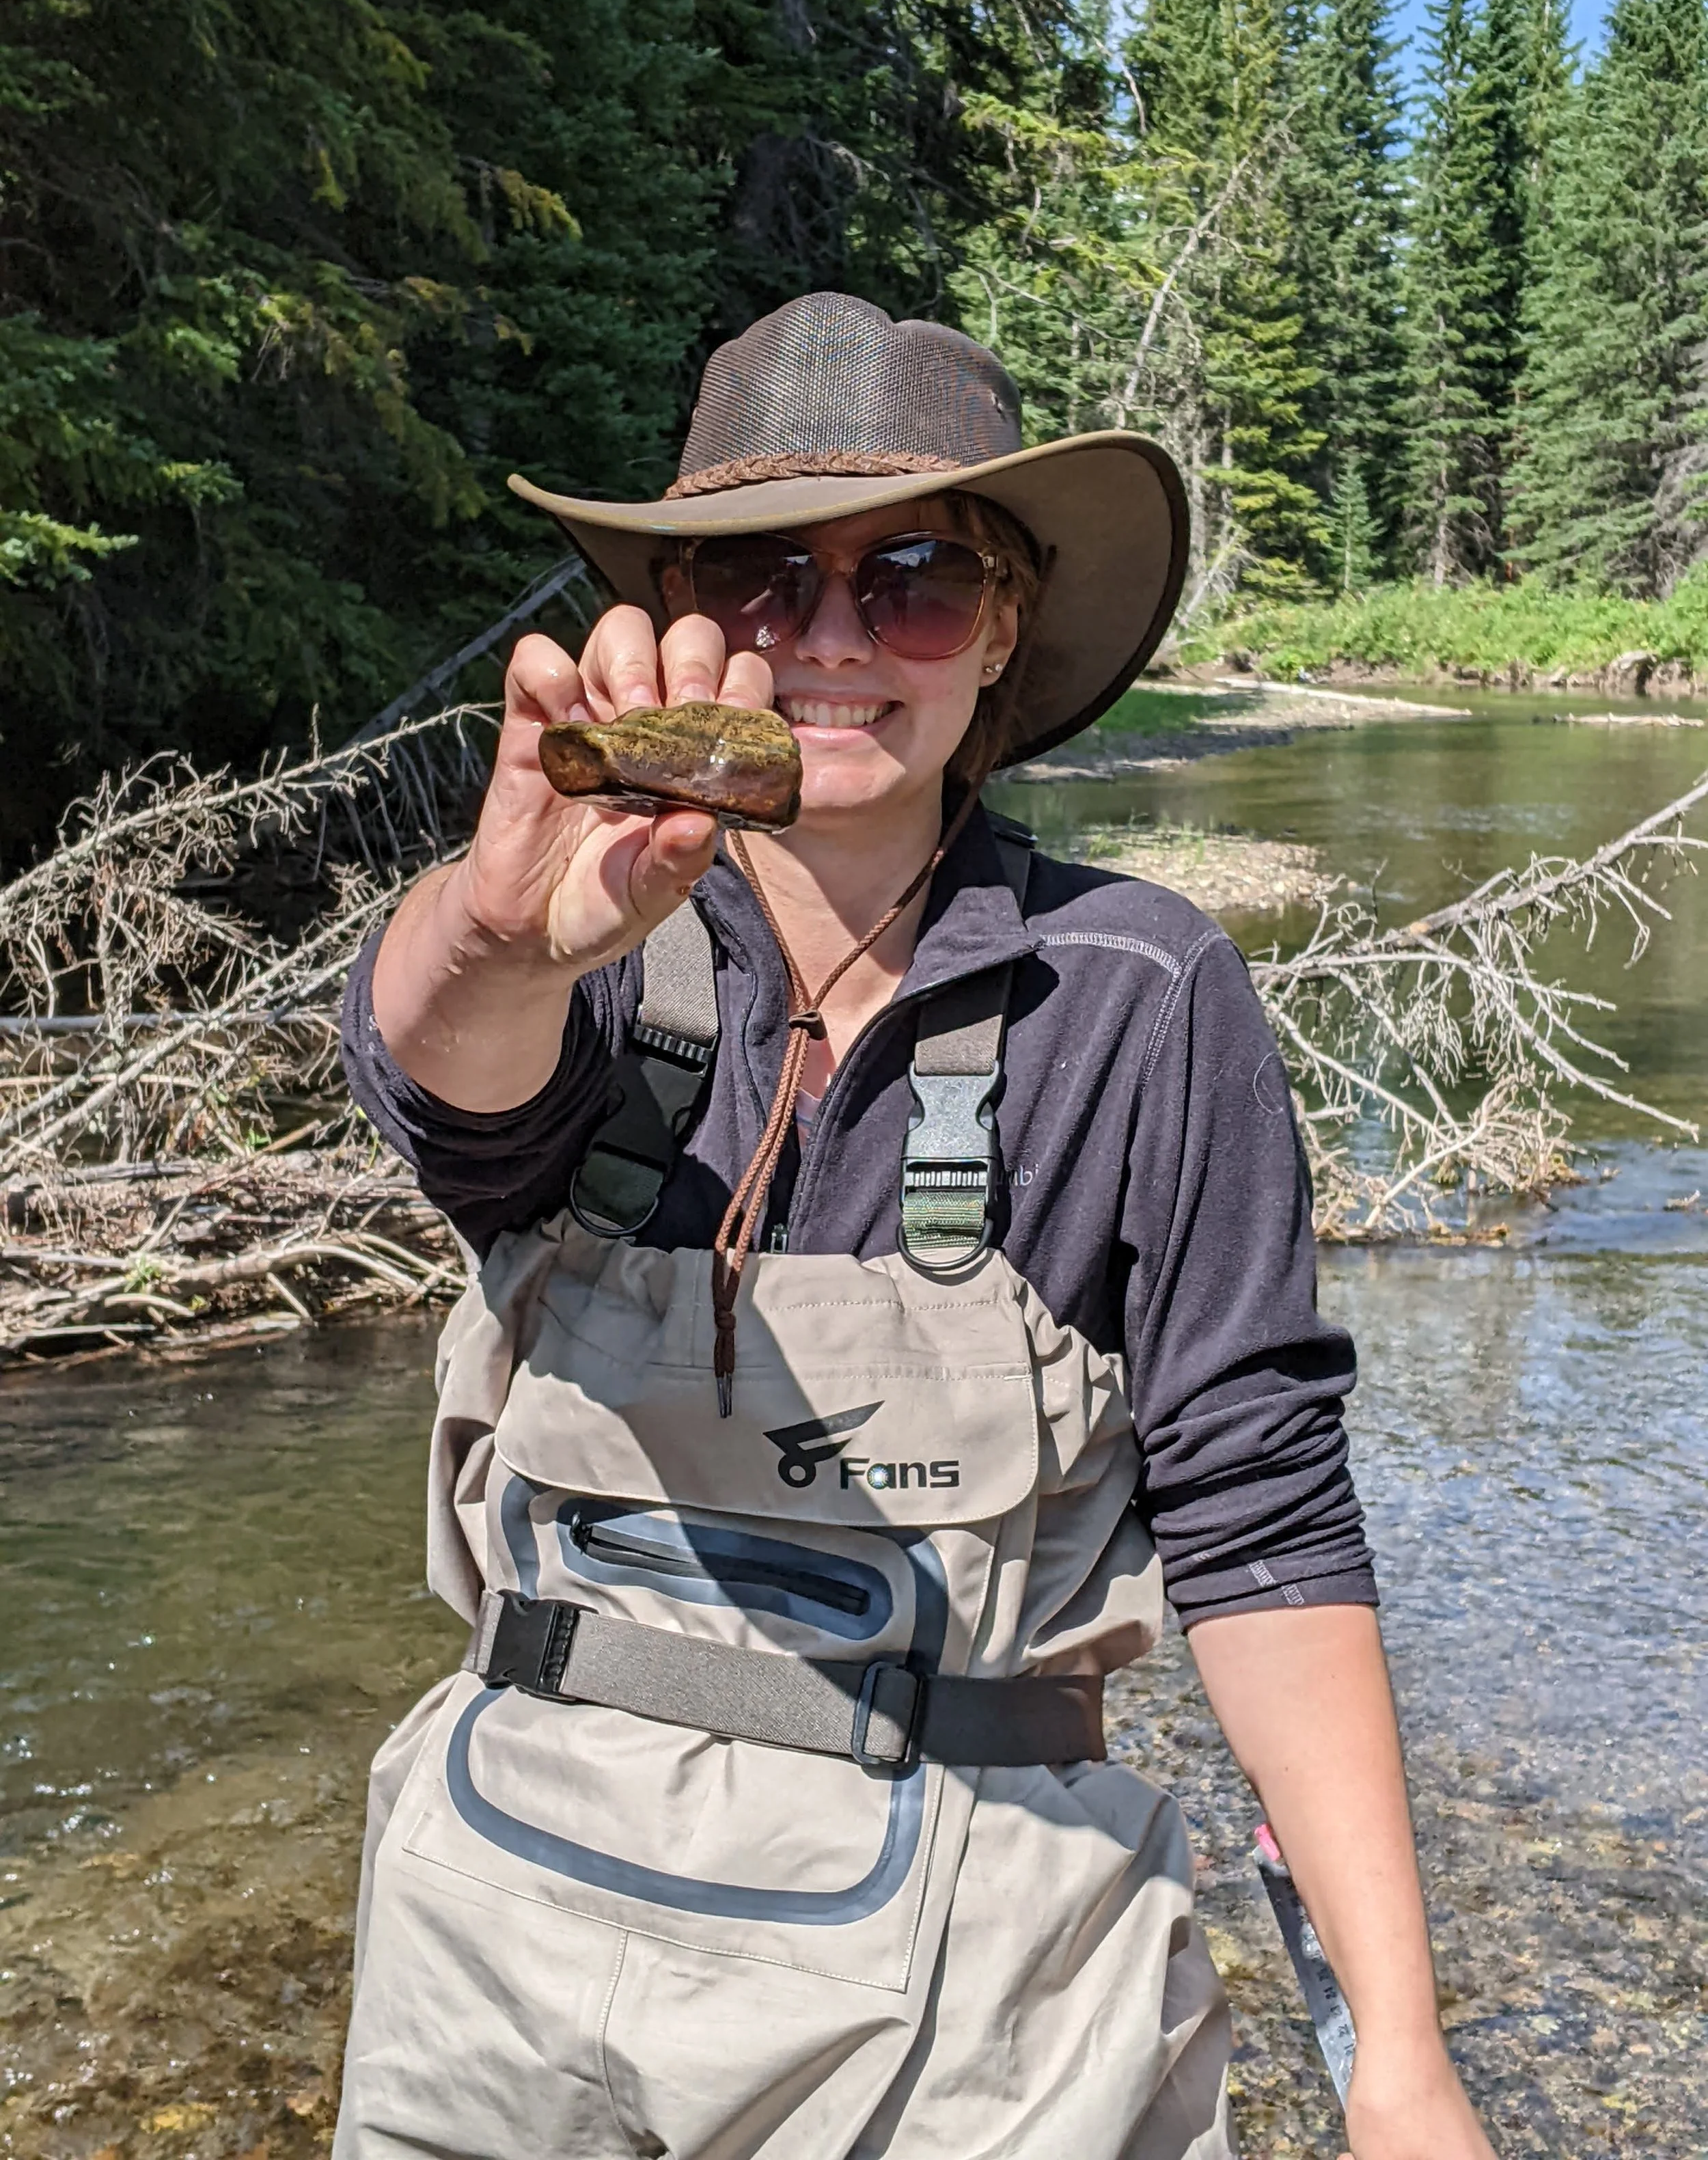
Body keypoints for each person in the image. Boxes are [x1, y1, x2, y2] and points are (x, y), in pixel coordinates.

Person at [332, 293, 1496, 2160]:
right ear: (688, 618)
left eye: (911, 580)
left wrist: (1398, 2054)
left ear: (1004, 624)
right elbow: (442, 1088)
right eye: (765, 580)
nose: (832, 640)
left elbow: (1259, 1513)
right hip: (509, 1946)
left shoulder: (1136, 993)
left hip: (978, 1987)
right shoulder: (576, 934)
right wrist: (494, 931)